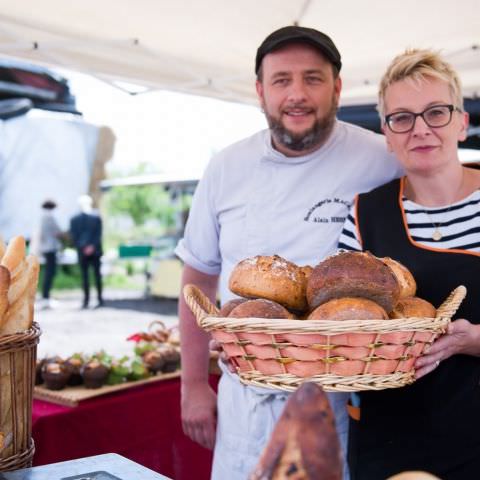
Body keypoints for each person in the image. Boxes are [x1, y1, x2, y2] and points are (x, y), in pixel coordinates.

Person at [175, 25, 402, 480]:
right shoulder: (227, 167)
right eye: (281, 80)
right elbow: (198, 278)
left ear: (337, 87)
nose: (297, 94)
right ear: (260, 91)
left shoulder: (383, 158)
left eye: (312, 78)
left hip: (341, 401)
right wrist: (193, 384)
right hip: (246, 403)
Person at [338, 49, 480, 479]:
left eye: (436, 112)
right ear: (386, 132)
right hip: (389, 442)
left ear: (462, 121)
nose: (420, 129)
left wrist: (470, 340)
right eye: (401, 117)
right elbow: (338, 324)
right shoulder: (364, 214)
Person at [70, 194, 104, 309]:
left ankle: (86, 300)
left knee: (86, 276)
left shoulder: (74, 219)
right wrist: (92, 246)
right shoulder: (96, 217)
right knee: (96, 275)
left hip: (83, 251)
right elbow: (98, 235)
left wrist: (83, 247)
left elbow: (74, 236)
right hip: (94, 251)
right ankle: (99, 299)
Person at [36, 199, 63, 307]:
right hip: (50, 248)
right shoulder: (50, 217)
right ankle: (46, 297)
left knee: (48, 272)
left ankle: (45, 296)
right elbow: (57, 232)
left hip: (45, 248)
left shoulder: (43, 218)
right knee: (50, 273)